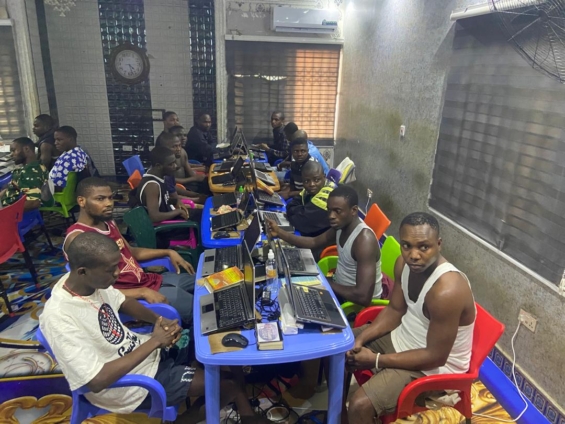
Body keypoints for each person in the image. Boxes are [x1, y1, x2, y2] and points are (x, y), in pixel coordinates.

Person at [40, 231, 269, 424]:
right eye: (111, 270)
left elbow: (123, 301)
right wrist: (155, 341)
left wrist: (158, 321)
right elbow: (96, 381)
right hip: (128, 385)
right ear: (82, 271)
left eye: (116, 266)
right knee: (227, 385)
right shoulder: (59, 317)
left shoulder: (89, 282)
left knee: (215, 338)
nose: (117, 273)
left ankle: (244, 410)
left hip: (146, 354)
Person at [344, 213, 476, 424]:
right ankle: (339, 415)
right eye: (406, 246)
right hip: (403, 339)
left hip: (434, 368)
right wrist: (360, 339)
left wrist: (375, 360)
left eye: (424, 247)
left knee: (360, 405)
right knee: (339, 345)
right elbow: (395, 310)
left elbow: (435, 357)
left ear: (438, 244)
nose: (413, 255)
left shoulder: (447, 290)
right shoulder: (403, 265)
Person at [63, 177, 196, 325]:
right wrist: (141, 292)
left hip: (148, 280)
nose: (109, 203)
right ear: (81, 201)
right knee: (200, 309)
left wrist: (168, 252)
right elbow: (92, 291)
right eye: (100, 199)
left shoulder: (108, 223)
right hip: (132, 294)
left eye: (110, 198)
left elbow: (131, 252)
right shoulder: (78, 238)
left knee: (202, 284)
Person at [266, 185, 382, 306]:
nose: (331, 216)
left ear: (353, 210)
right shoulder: (341, 226)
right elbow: (314, 242)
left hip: (355, 304)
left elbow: (363, 297)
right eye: (329, 210)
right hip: (341, 287)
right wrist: (279, 232)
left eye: (337, 211)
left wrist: (324, 282)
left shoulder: (364, 241)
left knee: (297, 301)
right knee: (291, 291)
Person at [133, 146, 192, 224]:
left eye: (174, 162)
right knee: (202, 218)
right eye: (171, 164)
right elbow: (154, 217)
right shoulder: (152, 185)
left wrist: (176, 201)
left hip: (169, 215)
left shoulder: (160, 176)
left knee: (202, 214)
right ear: (158, 166)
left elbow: (163, 200)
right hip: (164, 227)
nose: (175, 166)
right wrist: (178, 212)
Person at [286, 161, 335, 238]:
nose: (312, 184)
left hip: (323, 240)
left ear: (324, 177)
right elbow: (293, 203)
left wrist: (299, 210)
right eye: (306, 181)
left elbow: (300, 222)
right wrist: (302, 210)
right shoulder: (312, 189)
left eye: (316, 180)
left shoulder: (328, 196)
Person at [156, 131, 208, 199]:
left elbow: (174, 185)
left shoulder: (182, 153)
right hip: (176, 192)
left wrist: (197, 194)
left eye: (179, 145)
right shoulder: (163, 164)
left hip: (180, 188)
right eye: (174, 146)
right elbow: (172, 195)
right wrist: (196, 199)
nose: (178, 149)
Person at [0, 137, 48, 210]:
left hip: (13, 214)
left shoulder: (30, 173)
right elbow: (10, 188)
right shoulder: (37, 166)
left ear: (26, 149)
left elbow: (34, 202)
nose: (11, 155)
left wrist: (6, 210)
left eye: (14, 150)